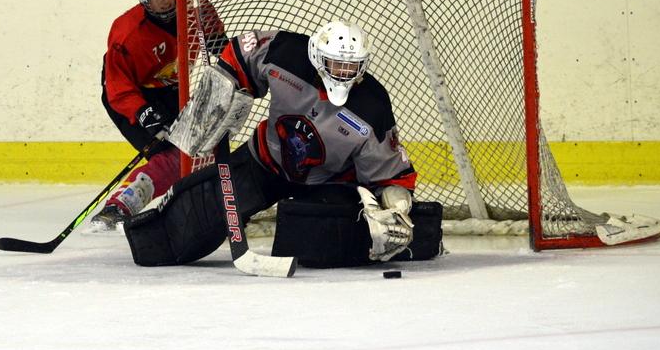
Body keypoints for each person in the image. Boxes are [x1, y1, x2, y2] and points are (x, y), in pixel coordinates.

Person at [124, 21, 442, 269]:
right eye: (335, 65)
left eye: (351, 66)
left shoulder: (372, 106)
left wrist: (397, 210)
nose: (343, 74)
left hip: (328, 185)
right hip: (264, 160)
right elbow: (242, 52)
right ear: (317, 57)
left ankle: (422, 236)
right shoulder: (287, 52)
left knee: (323, 243)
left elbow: (392, 176)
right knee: (192, 215)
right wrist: (226, 87)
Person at [90, 0, 184, 231]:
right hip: (132, 96)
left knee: (199, 147)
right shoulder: (127, 32)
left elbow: (217, 44)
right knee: (171, 156)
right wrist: (143, 112)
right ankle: (117, 207)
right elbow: (117, 86)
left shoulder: (196, 10)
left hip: (173, 89)